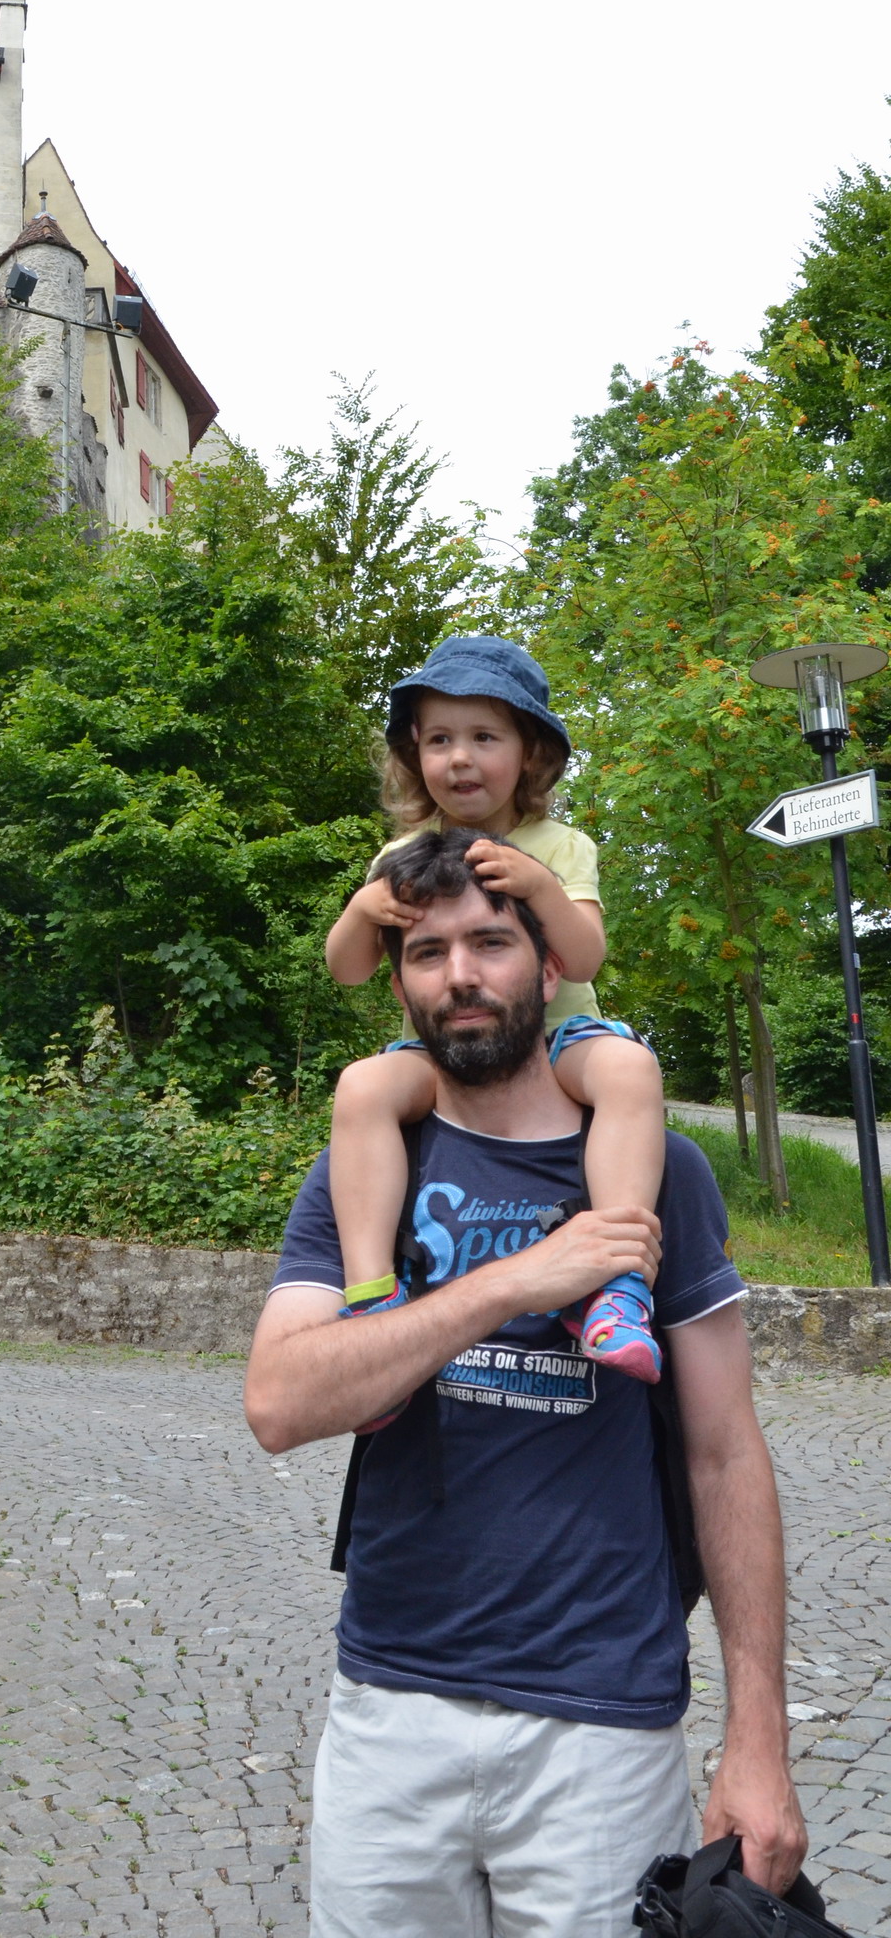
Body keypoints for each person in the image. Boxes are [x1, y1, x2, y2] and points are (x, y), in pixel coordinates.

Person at [246, 826, 804, 1938]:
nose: (460, 974)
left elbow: (724, 1449)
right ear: (400, 985)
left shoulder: (661, 1169)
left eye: (491, 943)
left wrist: (759, 1739)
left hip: (603, 1724)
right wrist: (518, 1280)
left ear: (550, 969)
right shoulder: (367, 1166)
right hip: (391, 1707)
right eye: (428, 952)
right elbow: (281, 1403)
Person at [324, 636, 665, 1394]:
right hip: (443, 1053)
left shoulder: (558, 846)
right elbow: (348, 970)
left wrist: (539, 886)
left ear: (529, 752)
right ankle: (371, 1296)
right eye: (440, 740)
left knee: (629, 1069)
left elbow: (584, 959)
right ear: (415, 752)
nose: (461, 759)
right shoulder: (400, 855)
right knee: (361, 1087)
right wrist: (361, 911)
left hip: (558, 1042)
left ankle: (617, 1285)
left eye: (485, 737)